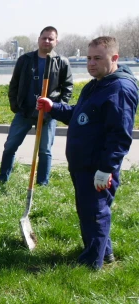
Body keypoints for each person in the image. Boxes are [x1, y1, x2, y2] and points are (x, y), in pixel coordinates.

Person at [37, 36, 138, 269]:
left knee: (95, 212)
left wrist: (106, 169)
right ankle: (105, 253)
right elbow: (80, 115)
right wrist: (54, 108)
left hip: (97, 166)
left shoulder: (119, 88)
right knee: (89, 210)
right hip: (83, 164)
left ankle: (92, 263)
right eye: (88, 58)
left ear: (114, 58)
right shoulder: (97, 84)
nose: (91, 63)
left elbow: (120, 135)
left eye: (97, 58)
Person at [0, 26, 73, 186]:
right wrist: (16, 106)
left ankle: (42, 183)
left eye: (50, 38)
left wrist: (58, 109)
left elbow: (67, 88)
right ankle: (3, 177)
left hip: (48, 114)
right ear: (39, 39)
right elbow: (14, 84)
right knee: (10, 146)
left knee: (45, 151)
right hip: (24, 112)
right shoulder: (25, 60)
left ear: (56, 41)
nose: (47, 41)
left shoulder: (62, 62)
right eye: (44, 38)